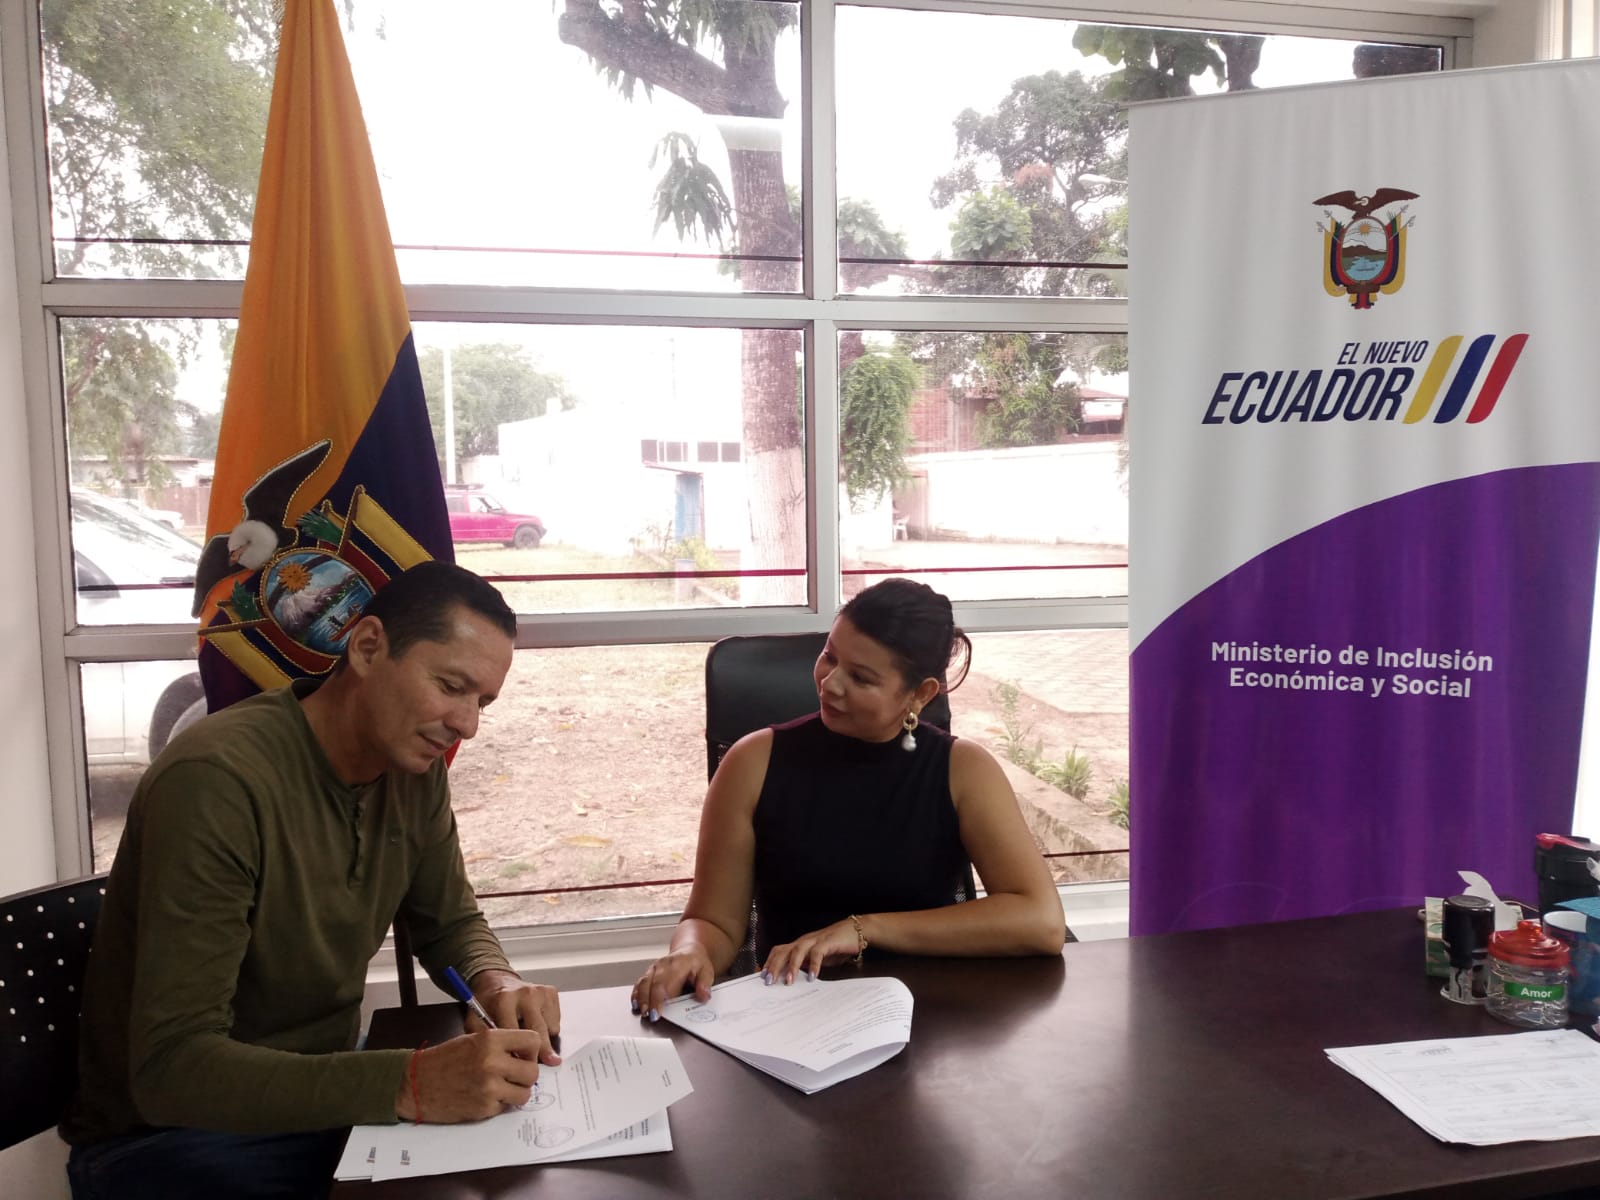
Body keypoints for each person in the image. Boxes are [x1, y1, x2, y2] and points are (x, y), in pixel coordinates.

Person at [61, 561, 559, 1200]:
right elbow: (172, 1068)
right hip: (168, 1135)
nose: (467, 724)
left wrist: (495, 980)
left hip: (314, 1095)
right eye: (450, 686)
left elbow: (450, 922)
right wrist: (408, 1083)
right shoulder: (217, 782)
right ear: (367, 647)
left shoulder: (412, 767)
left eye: (482, 701)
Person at [631, 577, 1064, 1018]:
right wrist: (690, 951)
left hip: (931, 1015)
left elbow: (1041, 922)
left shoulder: (964, 770)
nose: (830, 683)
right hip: (793, 1015)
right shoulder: (752, 763)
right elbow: (713, 922)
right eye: (829, 657)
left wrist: (864, 930)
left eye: (860, 677)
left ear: (920, 694)